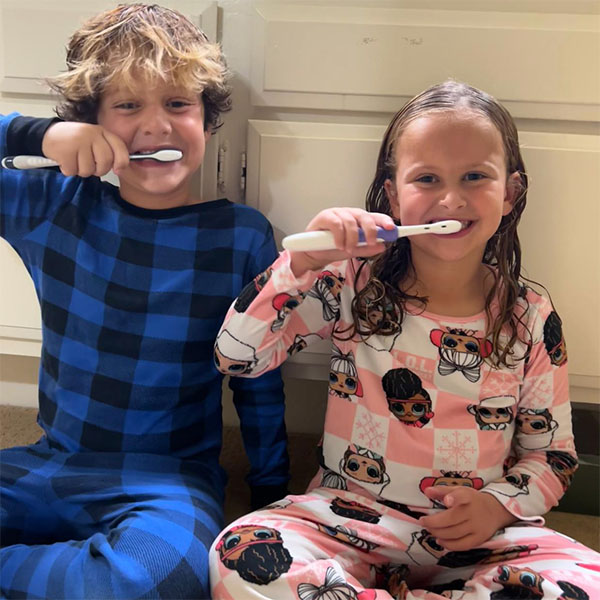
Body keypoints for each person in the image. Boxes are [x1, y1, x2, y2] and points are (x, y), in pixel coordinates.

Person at [208, 81, 600, 599]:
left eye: (475, 177)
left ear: (510, 194)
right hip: (348, 519)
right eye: (427, 178)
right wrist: (300, 265)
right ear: (394, 195)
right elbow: (235, 357)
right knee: (240, 553)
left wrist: (498, 505)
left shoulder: (530, 317)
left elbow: (552, 456)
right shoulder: (351, 280)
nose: (451, 199)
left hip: (483, 537)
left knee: (583, 584)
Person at [0, 4, 289, 598]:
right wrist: (39, 134)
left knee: (164, 577)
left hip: (171, 482)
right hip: (51, 464)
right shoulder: (53, 203)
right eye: (128, 106)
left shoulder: (242, 234)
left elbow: (259, 376)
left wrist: (270, 495)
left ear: (208, 121)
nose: (156, 126)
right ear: (93, 123)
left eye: (178, 104)